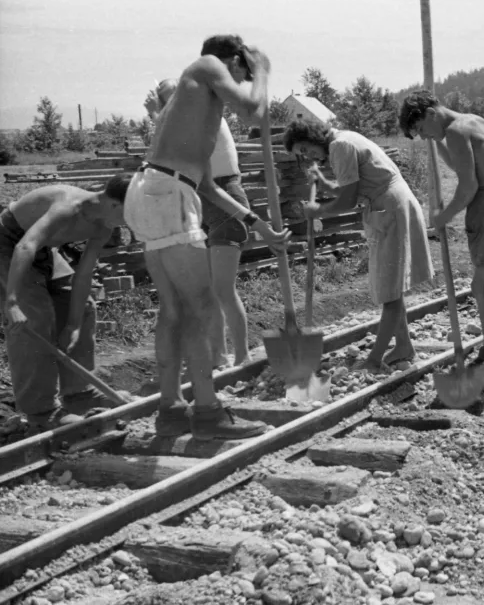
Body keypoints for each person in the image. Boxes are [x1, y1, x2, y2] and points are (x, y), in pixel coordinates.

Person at [126, 34, 289, 440]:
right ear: (234, 60)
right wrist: (263, 70)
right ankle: (209, 412)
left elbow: (207, 186)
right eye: (242, 72)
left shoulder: (190, 103)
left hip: (155, 190)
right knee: (201, 305)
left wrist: (257, 224)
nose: (240, 79)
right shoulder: (209, 66)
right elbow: (254, 110)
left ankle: (171, 409)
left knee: (174, 308)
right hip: (168, 193)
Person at [398, 91, 484, 396]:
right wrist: (436, 144)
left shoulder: (456, 131)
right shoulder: (470, 122)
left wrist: (444, 216)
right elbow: (465, 166)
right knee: (480, 287)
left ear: (430, 113)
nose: (423, 136)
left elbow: (469, 185)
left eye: (420, 129)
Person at [284, 119, 433, 373]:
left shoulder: (340, 146)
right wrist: (322, 182)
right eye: (302, 155)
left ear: (312, 136)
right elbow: (347, 189)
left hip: (390, 209)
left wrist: (317, 210)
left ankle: (374, 359)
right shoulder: (344, 138)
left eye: (305, 149)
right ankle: (404, 346)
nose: (308, 156)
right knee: (392, 285)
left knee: (390, 290)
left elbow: (348, 200)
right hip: (390, 205)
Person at [1, 176, 132, 432]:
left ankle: (79, 394)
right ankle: (40, 411)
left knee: (83, 307)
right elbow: (25, 245)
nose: (131, 223)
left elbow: (83, 275)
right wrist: (13, 301)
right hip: (8, 244)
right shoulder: (67, 206)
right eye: (131, 214)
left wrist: (72, 325)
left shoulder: (103, 225)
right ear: (115, 205)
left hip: (44, 250)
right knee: (34, 317)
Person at [147, 79, 251, 369]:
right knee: (209, 291)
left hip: (222, 196)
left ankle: (242, 355)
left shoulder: (204, 114)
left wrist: (156, 115)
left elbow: (176, 141)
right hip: (201, 199)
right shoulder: (190, 115)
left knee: (222, 289)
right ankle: (220, 356)